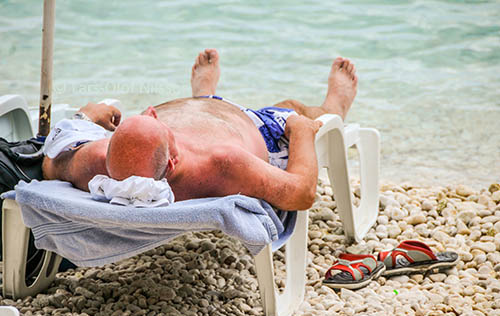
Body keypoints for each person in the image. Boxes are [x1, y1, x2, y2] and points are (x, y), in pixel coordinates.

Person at [43, 49, 358, 211]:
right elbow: (302, 194)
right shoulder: (222, 163)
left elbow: (51, 157)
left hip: (201, 113)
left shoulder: (96, 161)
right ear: (172, 163)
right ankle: (333, 109)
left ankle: (204, 95)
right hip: (251, 128)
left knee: (203, 106)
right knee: (290, 106)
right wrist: (302, 131)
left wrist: (88, 114)